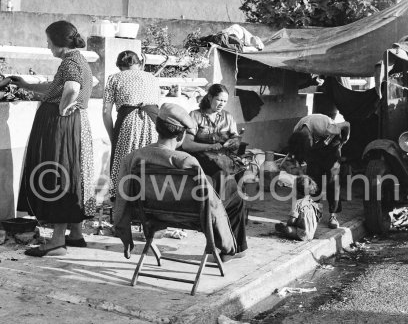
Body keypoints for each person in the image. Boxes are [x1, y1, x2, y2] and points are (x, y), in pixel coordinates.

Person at [114, 103, 248, 260]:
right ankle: (234, 249)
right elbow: (212, 204)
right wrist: (225, 241)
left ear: (157, 128)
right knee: (234, 194)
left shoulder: (132, 158)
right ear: (180, 136)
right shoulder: (187, 161)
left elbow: (121, 198)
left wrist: (123, 231)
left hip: (152, 215)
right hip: (191, 217)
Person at [13, 21, 95, 256]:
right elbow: (59, 87)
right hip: (73, 124)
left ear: (58, 41)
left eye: (48, 40)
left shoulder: (70, 62)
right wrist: (28, 85)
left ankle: (57, 242)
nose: (47, 45)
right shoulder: (77, 60)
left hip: (63, 125)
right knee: (71, 173)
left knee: (58, 175)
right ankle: (76, 234)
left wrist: (61, 111)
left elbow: (71, 88)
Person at [102, 50, 160, 199]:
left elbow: (105, 112)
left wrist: (112, 135)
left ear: (119, 66)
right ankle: (149, 200)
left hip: (127, 121)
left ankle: (123, 202)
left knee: (124, 162)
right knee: (150, 162)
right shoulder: (152, 78)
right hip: (152, 121)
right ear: (139, 64)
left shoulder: (114, 78)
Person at [287, 114, 350, 229]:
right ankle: (314, 211)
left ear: (311, 139)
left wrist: (344, 141)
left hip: (333, 146)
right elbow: (298, 150)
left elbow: (346, 124)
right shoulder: (297, 131)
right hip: (317, 147)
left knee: (332, 180)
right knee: (314, 180)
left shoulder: (325, 127)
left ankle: (333, 215)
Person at [180, 83, 244, 191]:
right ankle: (218, 202)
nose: (222, 104)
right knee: (220, 171)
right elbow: (187, 145)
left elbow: (236, 137)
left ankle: (235, 199)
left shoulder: (227, 117)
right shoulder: (195, 115)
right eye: (219, 100)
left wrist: (235, 141)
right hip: (201, 156)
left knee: (241, 167)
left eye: (224, 101)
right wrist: (210, 146)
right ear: (210, 97)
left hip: (222, 155)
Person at [275, 175, 322, 241]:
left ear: (296, 191)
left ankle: (285, 230)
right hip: (311, 233)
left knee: (287, 229)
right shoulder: (312, 203)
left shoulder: (297, 203)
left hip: (302, 234)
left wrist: (286, 225)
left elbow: (292, 221)